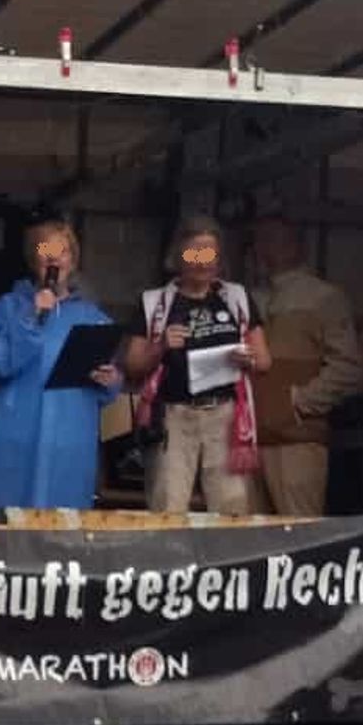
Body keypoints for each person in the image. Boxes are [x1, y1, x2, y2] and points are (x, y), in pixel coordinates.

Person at [0, 221, 124, 511]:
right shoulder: (7, 308)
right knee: (4, 532)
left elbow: (106, 392)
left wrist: (111, 380)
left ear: (72, 260)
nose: (53, 257)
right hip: (11, 446)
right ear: (32, 258)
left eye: (61, 250)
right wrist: (31, 316)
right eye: (45, 248)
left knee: (63, 535)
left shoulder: (93, 318)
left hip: (68, 448)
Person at [127, 215, 273, 515]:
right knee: (168, 505)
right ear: (178, 256)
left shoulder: (236, 298)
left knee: (232, 508)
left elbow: (264, 361)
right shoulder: (154, 302)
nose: (202, 263)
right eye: (194, 254)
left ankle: (229, 563)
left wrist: (247, 358)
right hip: (173, 414)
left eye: (209, 255)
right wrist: (161, 346)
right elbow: (132, 365)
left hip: (226, 415)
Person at [248, 216, 362, 516]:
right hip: (246, 441)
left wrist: (299, 403)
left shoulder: (324, 298)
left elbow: (347, 367)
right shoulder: (247, 298)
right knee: (244, 538)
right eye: (259, 241)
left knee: (297, 534)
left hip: (296, 441)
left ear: (297, 245)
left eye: (272, 240)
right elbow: (184, 259)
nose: (263, 249)